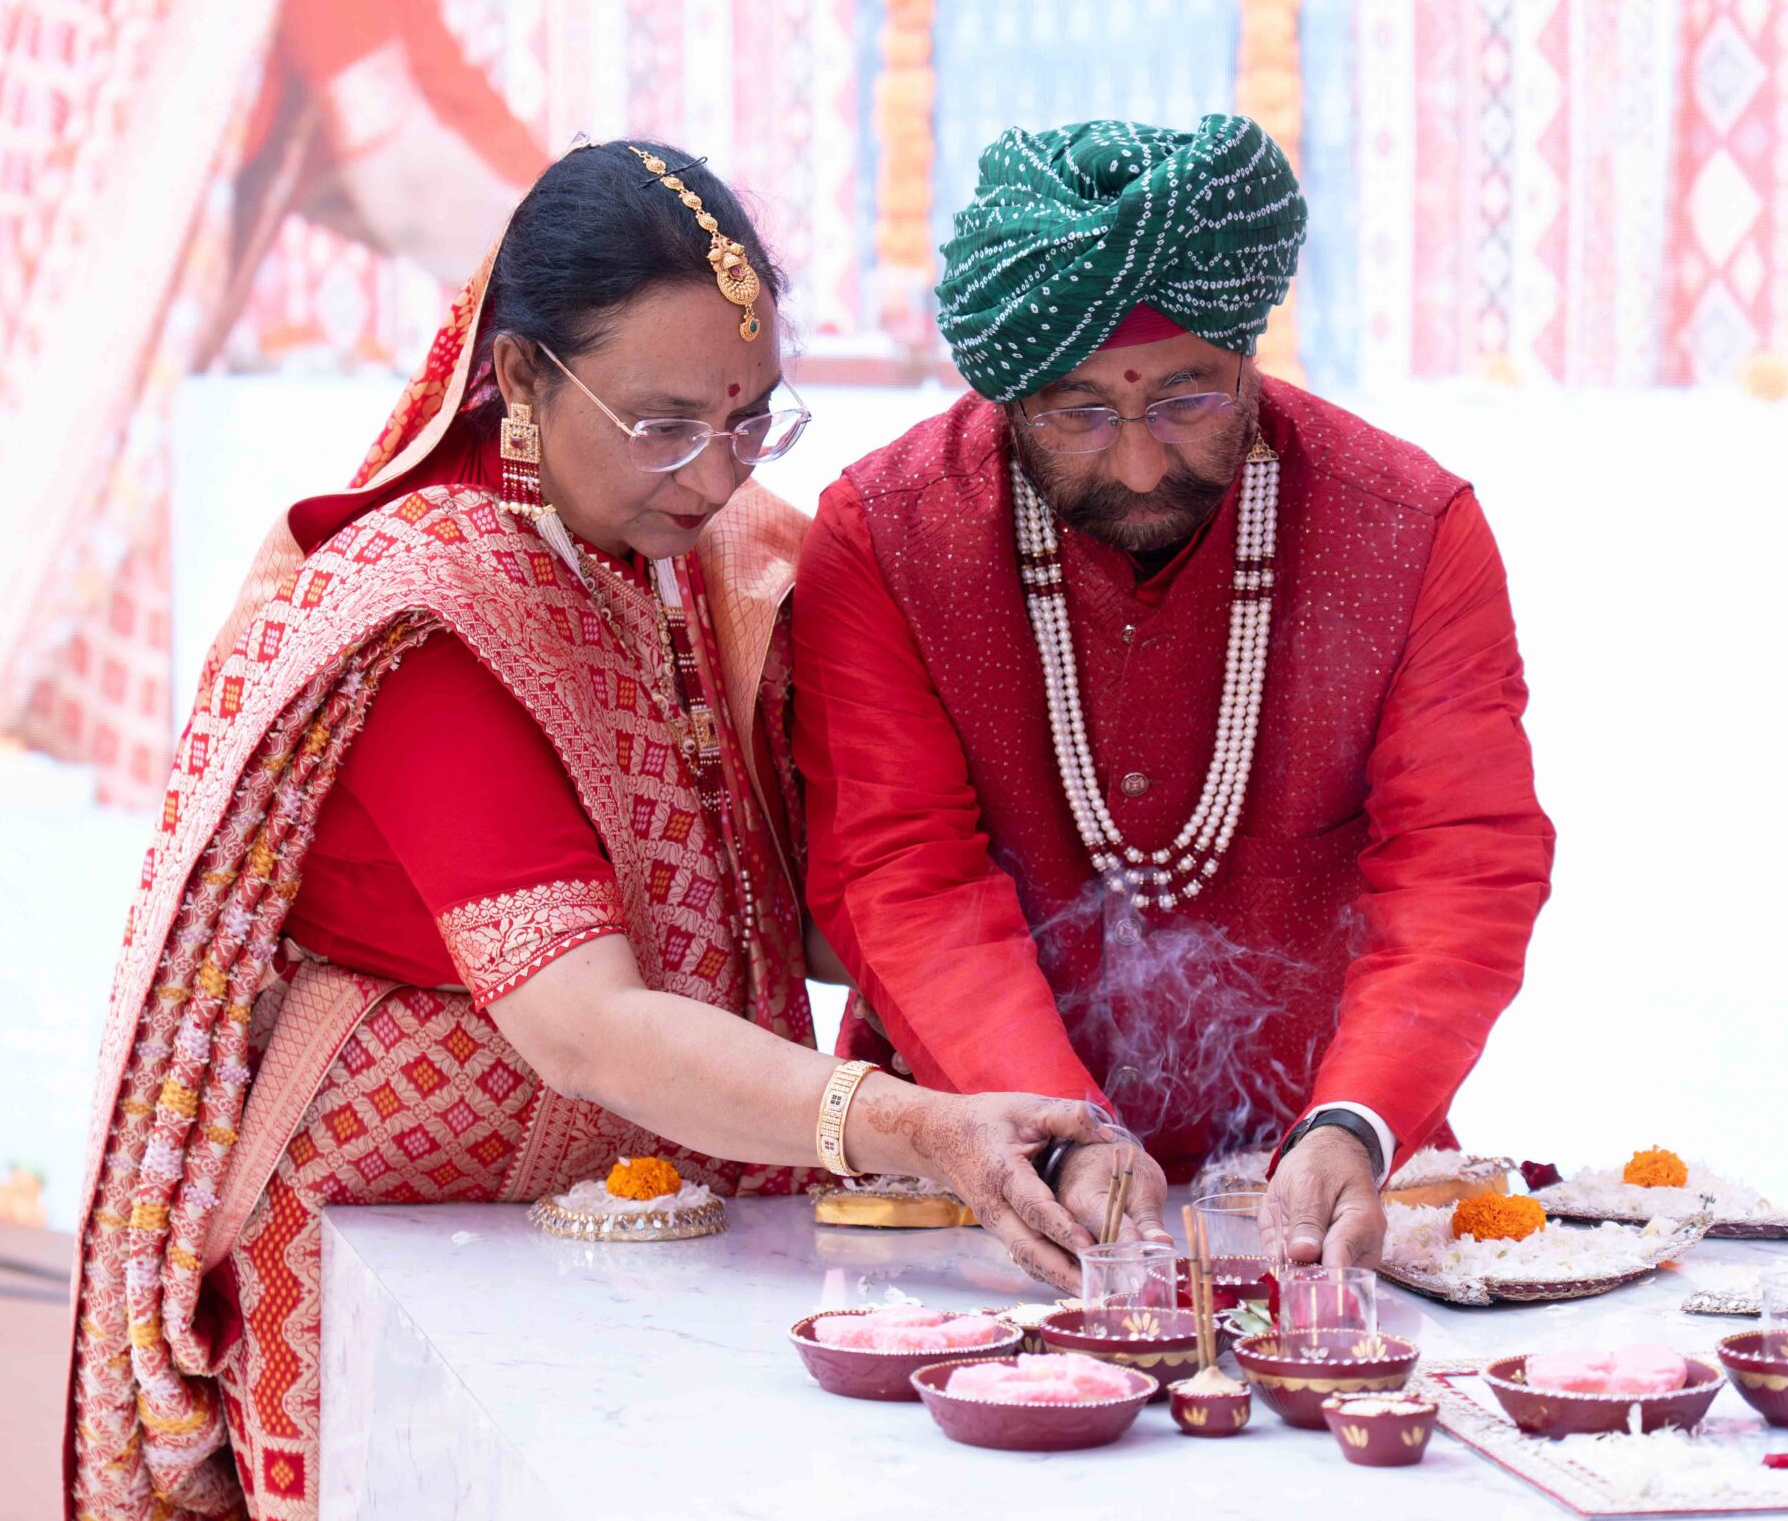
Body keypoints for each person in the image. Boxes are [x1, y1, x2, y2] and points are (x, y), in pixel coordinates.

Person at [64, 139, 1116, 1521]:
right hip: (386, 1258)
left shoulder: (693, 559)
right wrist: (915, 1127)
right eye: (664, 424)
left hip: (630, 1230)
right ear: (520, 377)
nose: (716, 474)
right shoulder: (434, 613)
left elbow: (785, 903)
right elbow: (589, 1028)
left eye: (750, 422)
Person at [794, 114, 1555, 1276]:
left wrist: (1358, 1118)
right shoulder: (886, 536)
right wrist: (1057, 1133)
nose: (1141, 461)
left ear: (1248, 356)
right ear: (1007, 394)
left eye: (1188, 398)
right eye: (1079, 412)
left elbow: (1462, 861)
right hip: (983, 1178)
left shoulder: (1409, 530)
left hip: (1321, 1182)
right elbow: (902, 871)